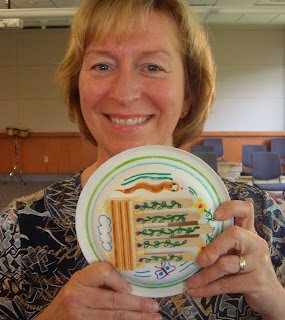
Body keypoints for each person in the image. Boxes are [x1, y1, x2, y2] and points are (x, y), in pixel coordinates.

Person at [0, 0, 284, 319]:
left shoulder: (263, 221)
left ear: (188, 95)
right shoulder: (20, 227)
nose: (124, 93)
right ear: (78, 89)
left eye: (152, 67)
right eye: (102, 65)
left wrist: (276, 300)